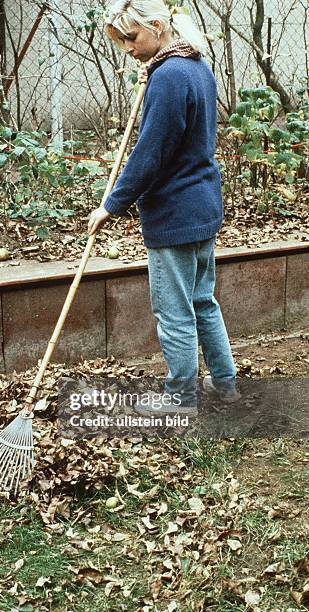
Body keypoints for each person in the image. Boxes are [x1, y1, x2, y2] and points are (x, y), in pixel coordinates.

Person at [88, 0, 240, 413]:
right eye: (122, 42)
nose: (128, 49)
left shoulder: (170, 75)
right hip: (203, 206)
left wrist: (111, 204)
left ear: (157, 26)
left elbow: (150, 154)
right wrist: (153, 71)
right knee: (203, 301)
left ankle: (180, 400)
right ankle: (225, 384)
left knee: (174, 312)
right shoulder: (195, 65)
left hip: (175, 212)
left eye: (132, 38)